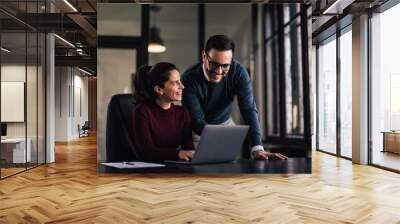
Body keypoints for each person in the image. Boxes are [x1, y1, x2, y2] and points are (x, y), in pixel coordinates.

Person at [181, 35, 287, 160]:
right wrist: (220, 138)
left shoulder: (239, 72)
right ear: (204, 56)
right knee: (202, 170)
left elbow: (248, 109)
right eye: (214, 64)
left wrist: (257, 148)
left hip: (225, 124)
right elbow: (197, 120)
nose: (219, 71)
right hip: (198, 131)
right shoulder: (188, 79)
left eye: (225, 66)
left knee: (227, 170)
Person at [132, 62, 195, 162]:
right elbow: (148, 152)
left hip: (175, 168)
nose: (182, 87)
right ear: (159, 89)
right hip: (150, 171)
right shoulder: (142, 111)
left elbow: (188, 148)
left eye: (180, 81)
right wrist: (178, 154)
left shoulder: (182, 112)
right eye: (175, 83)